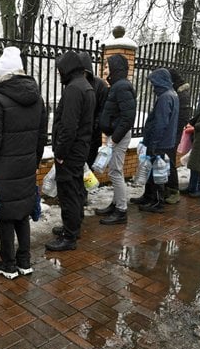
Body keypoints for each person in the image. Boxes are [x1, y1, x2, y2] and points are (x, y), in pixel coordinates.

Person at [0, 47, 46, 279]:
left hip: (3, 169)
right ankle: (24, 261)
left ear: (2, 73)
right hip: (27, 166)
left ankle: (8, 264)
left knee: (5, 215)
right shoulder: (37, 98)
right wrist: (35, 162)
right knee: (22, 214)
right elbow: (41, 136)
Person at [47, 51, 95, 251]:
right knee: (75, 190)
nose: (59, 75)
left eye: (60, 70)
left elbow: (68, 126)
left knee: (68, 193)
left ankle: (70, 236)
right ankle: (73, 226)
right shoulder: (85, 86)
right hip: (79, 149)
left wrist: (60, 153)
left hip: (70, 152)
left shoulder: (74, 89)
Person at [94, 54, 136, 225]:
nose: (104, 70)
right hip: (115, 134)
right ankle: (115, 204)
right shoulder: (117, 86)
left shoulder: (122, 87)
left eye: (106, 67)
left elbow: (128, 117)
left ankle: (121, 210)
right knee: (113, 171)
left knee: (116, 172)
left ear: (115, 68)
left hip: (119, 136)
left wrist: (114, 139)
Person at [137, 68, 179, 211]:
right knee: (153, 171)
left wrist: (153, 143)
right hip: (165, 141)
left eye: (154, 83)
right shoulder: (172, 94)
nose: (153, 87)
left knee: (157, 172)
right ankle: (148, 196)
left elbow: (161, 123)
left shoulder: (165, 97)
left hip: (160, 142)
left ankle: (156, 201)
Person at [80, 53, 110, 171]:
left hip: (93, 135)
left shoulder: (100, 85)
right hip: (79, 136)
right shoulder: (75, 83)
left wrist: (94, 127)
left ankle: (85, 189)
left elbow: (103, 111)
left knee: (88, 168)